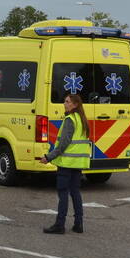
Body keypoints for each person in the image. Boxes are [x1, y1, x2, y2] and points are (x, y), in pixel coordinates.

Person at [39, 93, 92, 234]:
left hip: (67, 162)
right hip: (77, 162)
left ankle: (59, 225)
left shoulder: (70, 119)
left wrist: (48, 157)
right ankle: (78, 224)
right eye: (65, 101)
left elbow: (63, 144)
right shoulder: (81, 119)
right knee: (75, 192)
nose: (65, 103)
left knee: (63, 193)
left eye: (68, 102)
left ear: (75, 104)